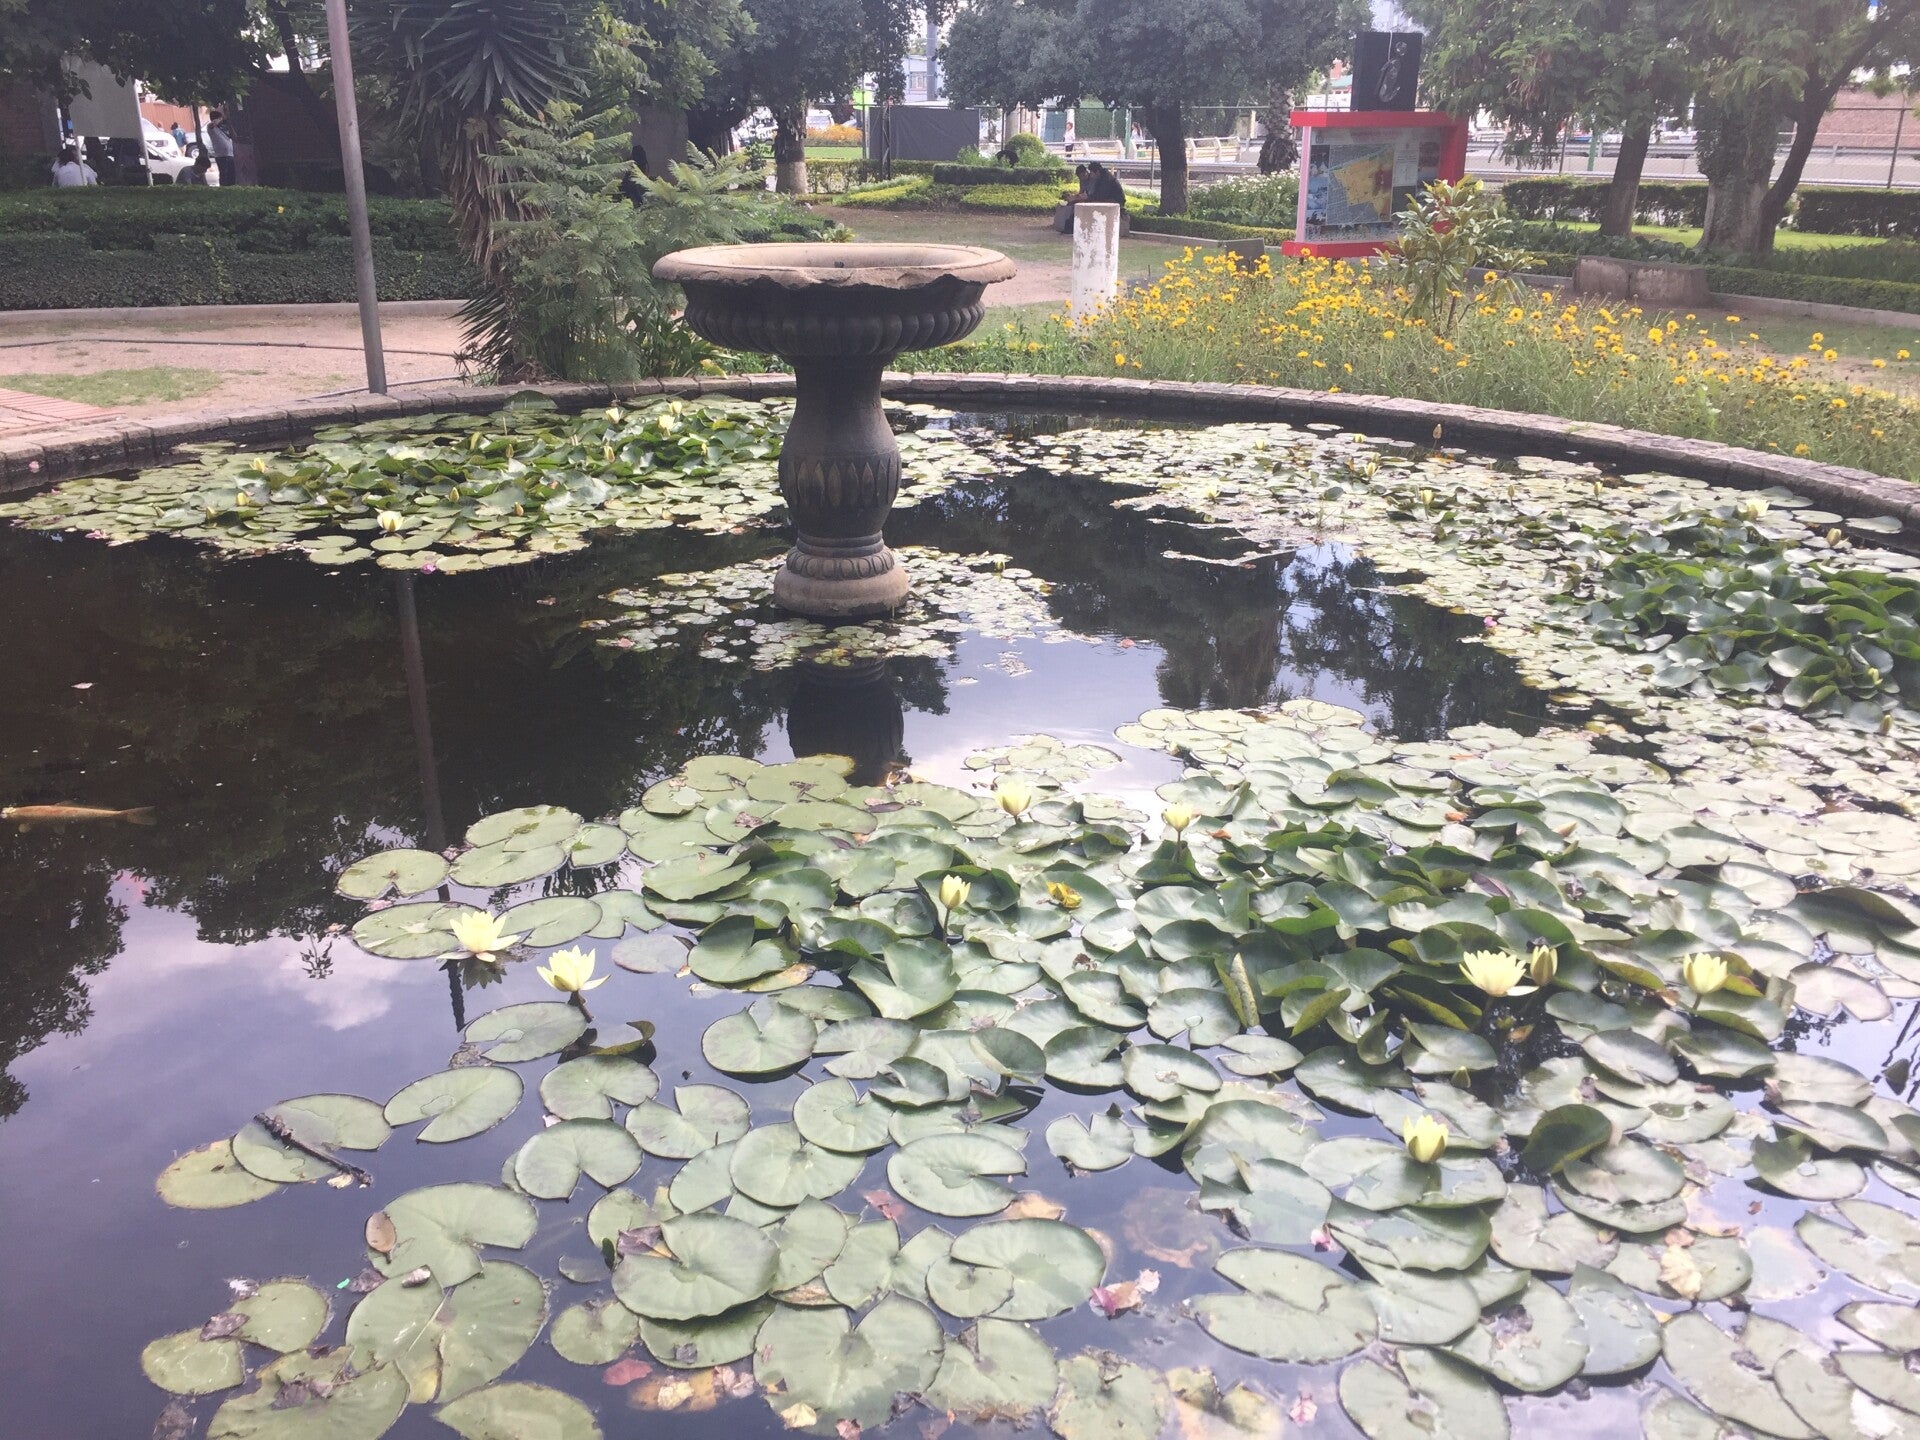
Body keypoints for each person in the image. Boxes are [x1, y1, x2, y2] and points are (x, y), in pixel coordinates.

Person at [207, 109, 235, 186]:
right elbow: (214, 123)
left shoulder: (222, 128)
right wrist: (222, 118)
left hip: (229, 154)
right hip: (221, 155)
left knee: (231, 174)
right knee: (224, 174)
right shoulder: (210, 127)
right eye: (220, 118)